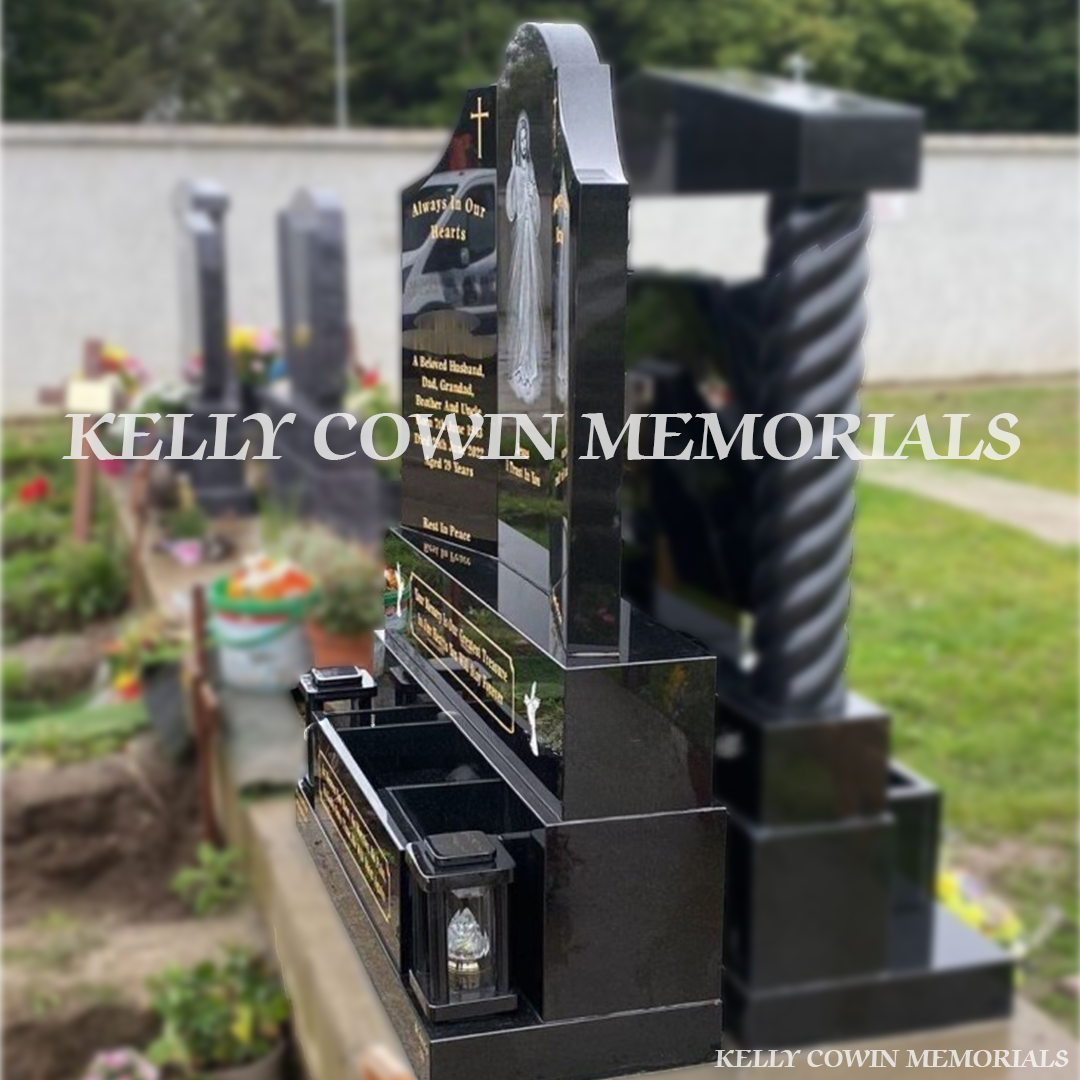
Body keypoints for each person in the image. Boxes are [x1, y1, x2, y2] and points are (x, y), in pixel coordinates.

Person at [505, 111, 543, 404]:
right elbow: (511, 210)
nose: (524, 142)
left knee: (530, 296)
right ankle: (521, 359)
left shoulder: (529, 169)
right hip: (523, 235)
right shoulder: (517, 171)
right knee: (521, 296)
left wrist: (532, 196)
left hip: (530, 236)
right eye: (521, 138)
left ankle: (530, 362)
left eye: (526, 137)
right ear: (516, 144)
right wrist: (521, 192)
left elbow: (535, 207)